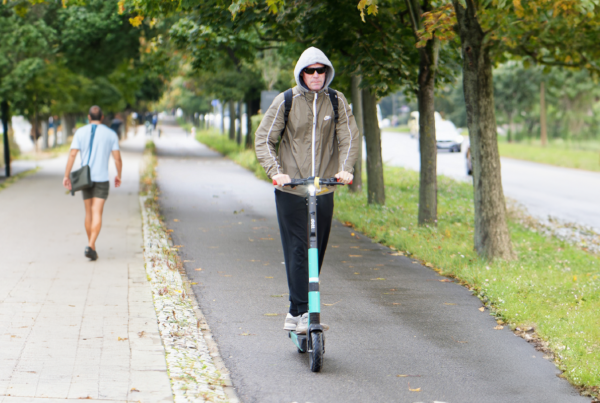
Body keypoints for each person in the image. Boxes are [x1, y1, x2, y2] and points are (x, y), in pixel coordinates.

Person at [255, 47, 360, 334]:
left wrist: (345, 168)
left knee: (317, 250)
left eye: (321, 70)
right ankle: (303, 312)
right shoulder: (286, 100)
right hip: (291, 190)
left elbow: (349, 138)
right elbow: (264, 140)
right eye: (310, 70)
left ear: (327, 72)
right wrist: (277, 173)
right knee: (299, 249)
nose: (316, 75)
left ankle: (294, 310)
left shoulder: (336, 101)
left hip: (323, 190)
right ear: (302, 73)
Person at [63, 105, 122, 261]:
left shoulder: (80, 132)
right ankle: (91, 245)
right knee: (97, 213)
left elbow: (72, 155)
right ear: (102, 117)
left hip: (85, 179)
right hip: (102, 179)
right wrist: (119, 175)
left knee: (88, 213)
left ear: (89, 117)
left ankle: (91, 246)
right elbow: (117, 158)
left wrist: (66, 175)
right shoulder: (111, 134)